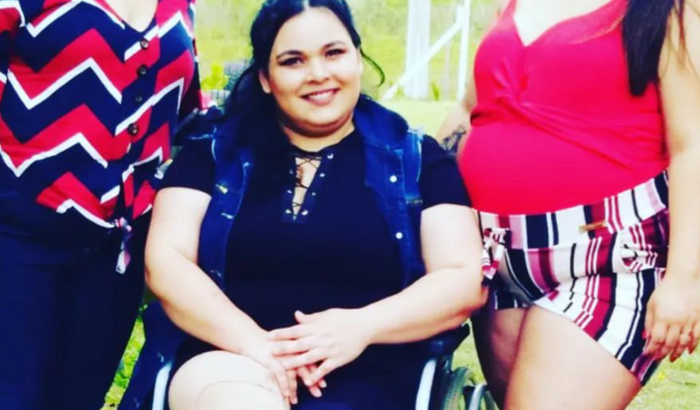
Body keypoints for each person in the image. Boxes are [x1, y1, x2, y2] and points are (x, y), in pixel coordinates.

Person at [144, 0, 487, 409]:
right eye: (293, 61)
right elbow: (166, 261)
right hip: (231, 360)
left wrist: (360, 327)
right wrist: (255, 344)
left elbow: (463, 278)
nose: (318, 74)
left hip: (374, 370)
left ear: (357, 58)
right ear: (265, 78)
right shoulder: (211, 154)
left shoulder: (417, 159)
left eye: (333, 53)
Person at [437, 0, 700, 409]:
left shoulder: (666, 10)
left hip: (607, 258)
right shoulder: (510, 5)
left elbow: (692, 146)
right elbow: (470, 111)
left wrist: (685, 280)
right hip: (497, 259)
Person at [0, 0, 201, 408]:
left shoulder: (181, 6)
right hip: (15, 241)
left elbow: (188, 114)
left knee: (79, 400)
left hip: (115, 258)